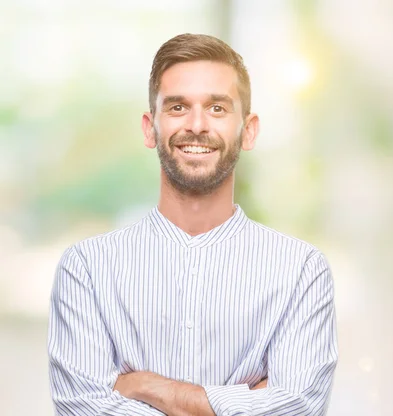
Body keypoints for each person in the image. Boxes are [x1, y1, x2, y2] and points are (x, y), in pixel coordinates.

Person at [47, 33, 338, 416]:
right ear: (150, 128)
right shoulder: (86, 268)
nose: (197, 125)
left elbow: (297, 408)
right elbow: (81, 408)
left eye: (217, 108)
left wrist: (148, 388)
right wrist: (245, 399)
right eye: (178, 107)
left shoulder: (301, 271)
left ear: (247, 130)